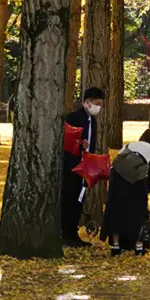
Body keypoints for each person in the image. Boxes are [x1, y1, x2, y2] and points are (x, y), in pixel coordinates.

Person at [101, 128, 150, 256]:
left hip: (117, 176)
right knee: (138, 212)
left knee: (116, 210)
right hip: (137, 180)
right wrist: (147, 190)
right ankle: (138, 245)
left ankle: (116, 245)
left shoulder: (129, 145)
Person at [63, 87, 106, 248]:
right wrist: (79, 144)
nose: (98, 107)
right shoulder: (74, 117)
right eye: (96, 103)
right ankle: (66, 233)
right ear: (87, 102)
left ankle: (72, 232)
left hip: (85, 166)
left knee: (79, 200)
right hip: (72, 166)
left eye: (100, 104)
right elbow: (67, 141)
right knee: (69, 199)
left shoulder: (92, 121)